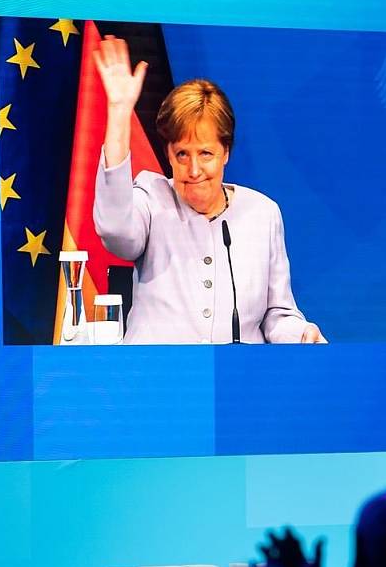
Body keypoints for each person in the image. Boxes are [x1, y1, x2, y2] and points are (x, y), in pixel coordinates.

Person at [91, 35, 326, 344]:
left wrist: (301, 333)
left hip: (236, 383)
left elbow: (277, 314)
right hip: (157, 380)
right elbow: (115, 231)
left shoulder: (262, 214)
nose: (194, 171)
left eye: (206, 154)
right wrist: (119, 112)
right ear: (168, 154)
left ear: (225, 152)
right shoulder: (151, 197)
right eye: (182, 154)